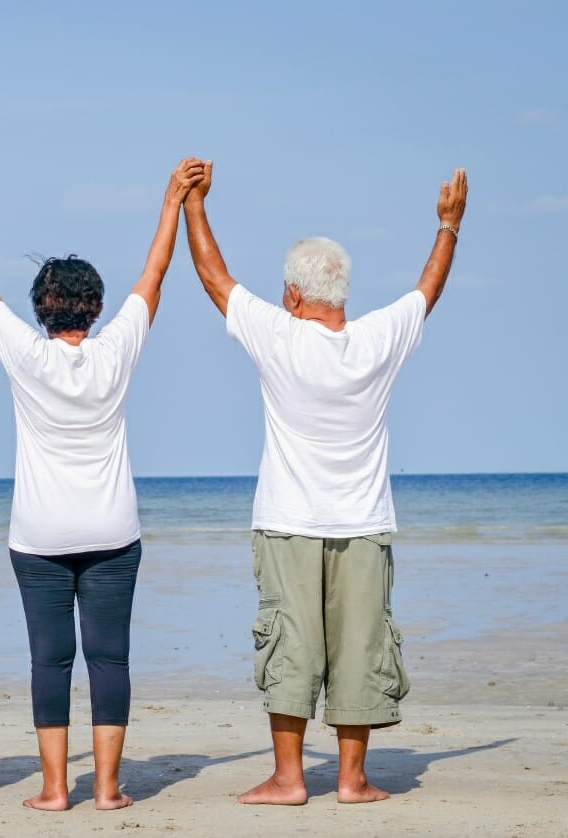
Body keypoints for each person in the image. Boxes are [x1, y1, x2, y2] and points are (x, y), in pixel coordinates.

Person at [181, 161, 468, 804]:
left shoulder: (278, 336)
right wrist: (448, 225)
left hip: (287, 521)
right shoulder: (377, 340)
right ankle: (350, 778)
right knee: (361, 643)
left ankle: (289, 779)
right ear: (343, 294)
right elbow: (428, 289)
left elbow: (213, 277)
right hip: (363, 525)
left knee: (291, 641)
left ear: (291, 294)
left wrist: (193, 205)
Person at [0, 159, 207, 811]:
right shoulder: (115, 348)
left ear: (40, 307)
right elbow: (155, 273)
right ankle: (109, 788)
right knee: (109, 660)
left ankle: (56, 788)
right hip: (113, 531)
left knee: (50, 661)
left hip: (38, 535)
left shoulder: (24, 352)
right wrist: (172, 199)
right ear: (94, 307)